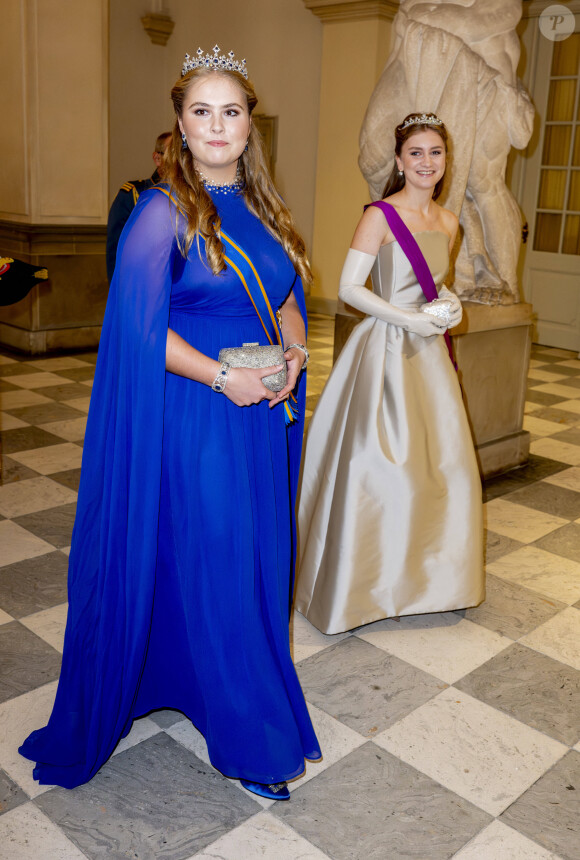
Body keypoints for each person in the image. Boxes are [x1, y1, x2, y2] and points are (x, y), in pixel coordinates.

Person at [20, 46, 320, 801]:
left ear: (251, 126)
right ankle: (248, 739)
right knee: (222, 560)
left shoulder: (265, 209)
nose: (217, 126)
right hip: (198, 415)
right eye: (201, 112)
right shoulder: (162, 212)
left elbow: (280, 288)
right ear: (180, 128)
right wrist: (227, 376)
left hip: (257, 414)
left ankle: (196, 677)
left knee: (251, 562)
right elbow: (139, 328)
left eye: (232, 112)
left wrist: (293, 342)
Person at [295, 114, 484, 635]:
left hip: (430, 356)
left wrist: (448, 307)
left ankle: (429, 581)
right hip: (383, 349)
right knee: (377, 465)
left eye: (436, 153)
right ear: (400, 161)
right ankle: (364, 585)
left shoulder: (449, 222)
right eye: (417, 153)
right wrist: (411, 320)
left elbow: (439, 286)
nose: (427, 162)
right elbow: (351, 288)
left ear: (446, 161)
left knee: (439, 464)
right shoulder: (380, 215)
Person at [105, 131, 171, 282]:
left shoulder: (191, 198)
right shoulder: (133, 195)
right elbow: (116, 254)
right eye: (173, 153)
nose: (180, 159)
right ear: (157, 158)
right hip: (142, 285)